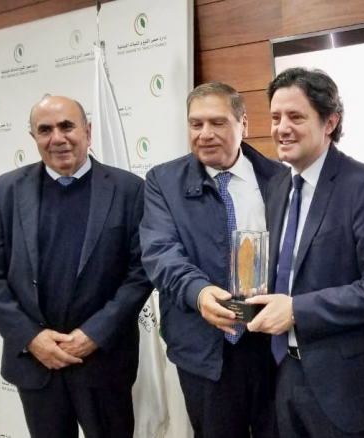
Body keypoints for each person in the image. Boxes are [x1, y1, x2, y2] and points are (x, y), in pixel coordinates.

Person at [0, 96, 152, 438]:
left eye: (67, 126)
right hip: (37, 362)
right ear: (34, 137)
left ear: (88, 131)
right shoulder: (6, 190)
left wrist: (95, 334)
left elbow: (141, 273)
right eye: (45, 130)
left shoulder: (129, 190)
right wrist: (32, 338)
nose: (57, 138)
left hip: (103, 361)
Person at [245, 67, 364, 438]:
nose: (282, 128)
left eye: (295, 117)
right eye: (275, 117)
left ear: (330, 122)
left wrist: (297, 310)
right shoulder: (278, 187)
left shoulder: (361, 183)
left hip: (349, 390)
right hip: (286, 376)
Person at [139, 82, 284, 438]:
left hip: (269, 343)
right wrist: (199, 293)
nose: (205, 134)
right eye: (196, 124)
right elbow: (160, 253)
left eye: (217, 123)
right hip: (203, 346)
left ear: (243, 124)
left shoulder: (279, 178)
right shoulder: (163, 182)